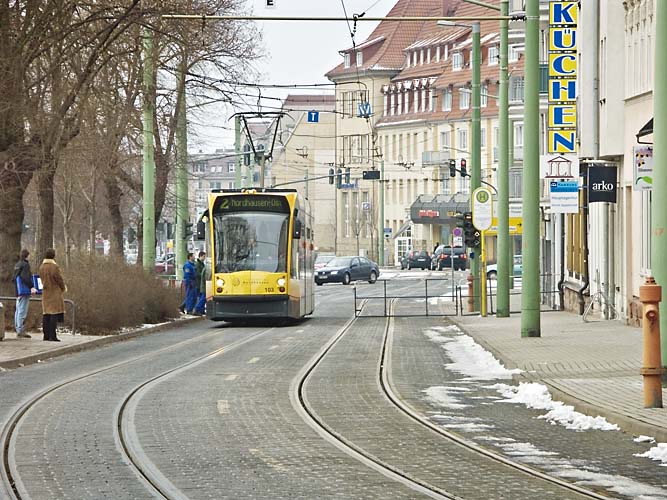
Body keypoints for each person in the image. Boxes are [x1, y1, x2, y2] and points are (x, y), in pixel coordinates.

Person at [38, 248, 66, 342]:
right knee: (54, 313)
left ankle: (45, 335)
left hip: (45, 292)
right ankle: (52, 335)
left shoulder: (42, 266)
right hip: (54, 291)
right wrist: (63, 287)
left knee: (46, 314)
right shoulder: (54, 267)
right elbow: (59, 278)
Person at [13, 248, 37, 338]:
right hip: (24, 291)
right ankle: (20, 330)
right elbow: (25, 277)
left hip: (18, 291)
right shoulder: (25, 265)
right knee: (22, 310)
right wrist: (31, 287)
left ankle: (17, 328)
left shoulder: (17, 265)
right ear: (27, 256)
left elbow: (14, 278)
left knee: (18, 310)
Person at [194, 251, 207, 315]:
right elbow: (198, 274)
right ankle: (197, 309)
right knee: (203, 297)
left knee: (203, 297)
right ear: (200, 256)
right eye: (204, 256)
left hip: (202, 284)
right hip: (200, 283)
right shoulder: (198, 264)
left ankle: (201, 310)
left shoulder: (202, 264)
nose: (204, 258)